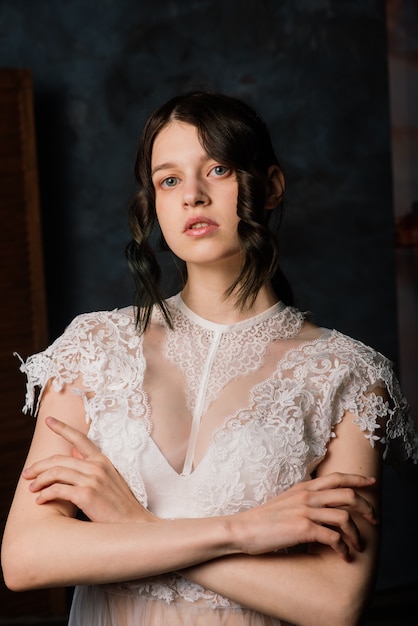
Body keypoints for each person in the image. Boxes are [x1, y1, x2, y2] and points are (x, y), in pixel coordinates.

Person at [1, 91, 417, 626]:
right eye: (169, 180)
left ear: (269, 186)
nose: (193, 195)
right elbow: (26, 558)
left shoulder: (348, 376)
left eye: (217, 169)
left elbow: (334, 601)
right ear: (154, 204)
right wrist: (240, 531)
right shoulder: (94, 349)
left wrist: (133, 525)